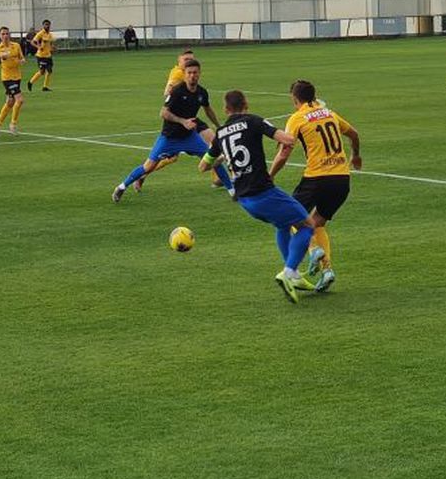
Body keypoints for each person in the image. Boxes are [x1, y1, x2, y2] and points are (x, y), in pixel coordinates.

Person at [200, 90, 318, 304]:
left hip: (245, 201)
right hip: (264, 192)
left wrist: (221, 158)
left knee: (282, 225)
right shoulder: (253, 121)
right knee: (307, 225)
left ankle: (295, 276)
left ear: (226, 110)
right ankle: (289, 271)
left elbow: (203, 165)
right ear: (246, 104)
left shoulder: (221, 133)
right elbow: (287, 139)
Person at [267, 80, 361, 293]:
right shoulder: (330, 113)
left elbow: (284, 152)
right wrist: (356, 156)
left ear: (294, 99)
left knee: (292, 218)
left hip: (316, 179)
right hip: (341, 179)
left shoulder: (297, 118)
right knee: (317, 224)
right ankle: (327, 271)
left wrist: (270, 175)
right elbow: (354, 134)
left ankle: (314, 251)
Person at [112, 58, 233, 202]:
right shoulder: (177, 91)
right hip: (170, 138)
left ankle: (233, 191)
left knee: (211, 158)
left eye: (195, 72)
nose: (192, 75)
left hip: (190, 137)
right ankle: (121, 187)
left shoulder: (202, 92)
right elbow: (163, 113)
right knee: (148, 166)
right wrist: (183, 121)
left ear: (199, 73)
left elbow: (208, 110)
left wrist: (219, 126)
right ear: (185, 74)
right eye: (189, 73)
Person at [0, 26, 27, 135]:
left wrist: (21, 61)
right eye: (3, 34)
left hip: (17, 77)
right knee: (20, 100)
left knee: (10, 102)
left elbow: (22, 58)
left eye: (7, 33)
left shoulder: (16, 46)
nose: (5, 36)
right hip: (7, 78)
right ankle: (13, 124)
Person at [28, 19, 55, 92]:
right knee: (42, 71)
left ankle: (45, 87)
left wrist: (52, 48)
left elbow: (51, 43)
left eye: (48, 24)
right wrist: (38, 47)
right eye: (45, 24)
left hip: (48, 55)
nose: (47, 26)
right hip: (41, 56)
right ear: (43, 25)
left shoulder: (50, 34)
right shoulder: (40, 33)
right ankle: (30, 82)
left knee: (49, 71)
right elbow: (32, 42)